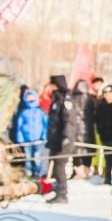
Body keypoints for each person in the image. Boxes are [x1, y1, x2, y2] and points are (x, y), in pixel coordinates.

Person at [44, 75, 72, 203]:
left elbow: (68, 121)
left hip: (63, 141)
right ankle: (57, 190)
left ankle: (62, 193)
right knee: (55, 166)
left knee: (60, 167)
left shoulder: (65, 99)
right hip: (55, 140)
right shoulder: (56, 98)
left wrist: (66, 137)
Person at [14, 87, 47, 178]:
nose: (30, 99)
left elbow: (45, 124)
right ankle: (28, 173)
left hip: (38, 139)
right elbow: (19, 127)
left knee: (37, 157)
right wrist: (20, 138)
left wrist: (44, 136)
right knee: (28, 157)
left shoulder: (40, 112)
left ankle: (38, 173)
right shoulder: (23, 113)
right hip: (27, 139)